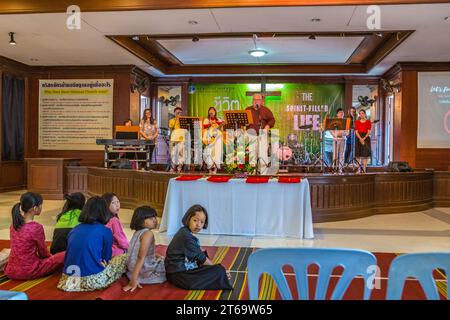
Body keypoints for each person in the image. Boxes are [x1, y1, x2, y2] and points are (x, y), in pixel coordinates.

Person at [57, 196, 127, 292]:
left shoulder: (75, 229)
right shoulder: (105, 231)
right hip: (92, 279)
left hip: (68, 280)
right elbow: (106, 258)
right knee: (124, 258)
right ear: (104, 212)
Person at [165, 205, 232, 290]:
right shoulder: (186, 236)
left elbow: (198, 254)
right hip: (178, 275)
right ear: (188, 219)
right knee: (218, 270)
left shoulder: (185, 231)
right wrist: (218, 270)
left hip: (175, 272)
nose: (198, 225)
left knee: (210, 264)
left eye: (202, 222)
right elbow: (201, 258)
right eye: (195, 220)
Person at [4, 192, 65, 280]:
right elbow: (43, 252)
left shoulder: (13, 225)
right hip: (29, 271)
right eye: (41, 205)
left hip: (11, 271)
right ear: (35, 208)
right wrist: (52, 259)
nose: (41, 207)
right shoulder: (36, 227)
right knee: (65, 255)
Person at [123, 206, 166, 291]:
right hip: (144, 270)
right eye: (150, 218)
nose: (155, 220)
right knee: (171, 264)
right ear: (141, 220)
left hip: (131, 268)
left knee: (160, 257)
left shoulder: (137, 232)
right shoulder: (148, 234)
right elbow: (140, 257)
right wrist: (133, 280)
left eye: (154, 217)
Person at [245, 94, 276, 175]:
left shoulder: (266, 110)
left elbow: (272, 120)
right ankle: (251, 173)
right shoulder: (248, 109)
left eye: (258, 99)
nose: (256, 101)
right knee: (252, 155)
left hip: (262, 134)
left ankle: (263, 174)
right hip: (251, 135)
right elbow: (243, 121)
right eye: (254, 99)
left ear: (262, 101)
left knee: (262, 155)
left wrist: (268, 125)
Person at [102, 193, 129, 257]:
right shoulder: (114, 221)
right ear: (106, 205)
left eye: (118, 202)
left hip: (103, 251)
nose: (117, 205)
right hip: (113, 252)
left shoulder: (101, 219)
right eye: (113, 203)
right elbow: (122, 242)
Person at [202, 107, 224, 174]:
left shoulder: (219, 119)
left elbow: (221, 129)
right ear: (208, 112)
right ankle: (210, 167)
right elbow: (204, 129)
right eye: (210, 111)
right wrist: (210, 123)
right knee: (209, 151)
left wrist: (220, 125)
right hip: (209, 136)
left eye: (213, 111)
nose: (211, 112)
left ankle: (215, 168)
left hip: (217, 136)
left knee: (217, 151)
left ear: (215, 112)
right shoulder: (206, 120)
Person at [169, 107, 186, 172]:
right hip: (174, 138)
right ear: (174, 113)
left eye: (180, 112)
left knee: (181, 153)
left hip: (181, 138)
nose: (179, 113)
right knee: (173, 153)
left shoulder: (183, 120)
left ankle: (179, 167)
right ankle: (173, 167)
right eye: (177, 112)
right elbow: (171, 130)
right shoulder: (171, 121)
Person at [330, 108, 348, 173]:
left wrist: (342, 133)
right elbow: (330, 130)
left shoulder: (346, 122)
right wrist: (335, 135)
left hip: (343, 139)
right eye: (340, 112)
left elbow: (347, 132)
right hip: (335, 139)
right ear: (337, 114)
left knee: (341, 155)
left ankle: (340, 169)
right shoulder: (334, 121)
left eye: (342, 112)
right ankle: (334, 168)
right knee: (335, 155)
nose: (341, 113)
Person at [354, 109, 372, 173]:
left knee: (365, 155)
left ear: (365, 114)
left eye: (362, 113)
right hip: (358, 138)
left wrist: (363, 138)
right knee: (358, 155)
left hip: (366, 138)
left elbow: (369, 132)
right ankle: (358, 169)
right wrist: (360, 139)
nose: (361, 114)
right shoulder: (357, 122)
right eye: (360, 113)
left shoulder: (368, 122)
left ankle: (364, 169)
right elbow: (356, 132)